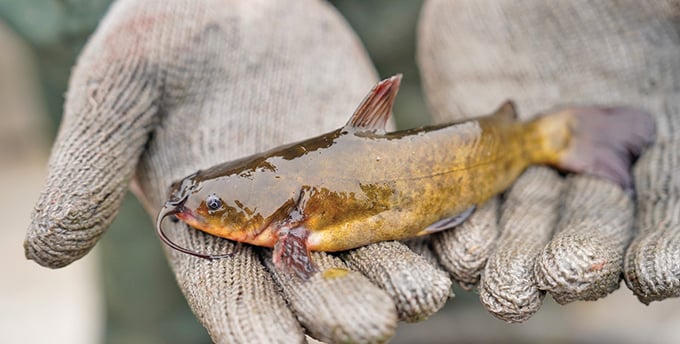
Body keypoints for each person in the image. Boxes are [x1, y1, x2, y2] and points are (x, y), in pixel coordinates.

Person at [23, 0, 680, 342]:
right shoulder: (262, 199)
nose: (198, 213)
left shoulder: (289, 230)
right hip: (201, 99)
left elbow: (301, 255)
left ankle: (562, 136)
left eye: (218, 210)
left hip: (446, 63)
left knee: (494, 285)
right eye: (212, 208)